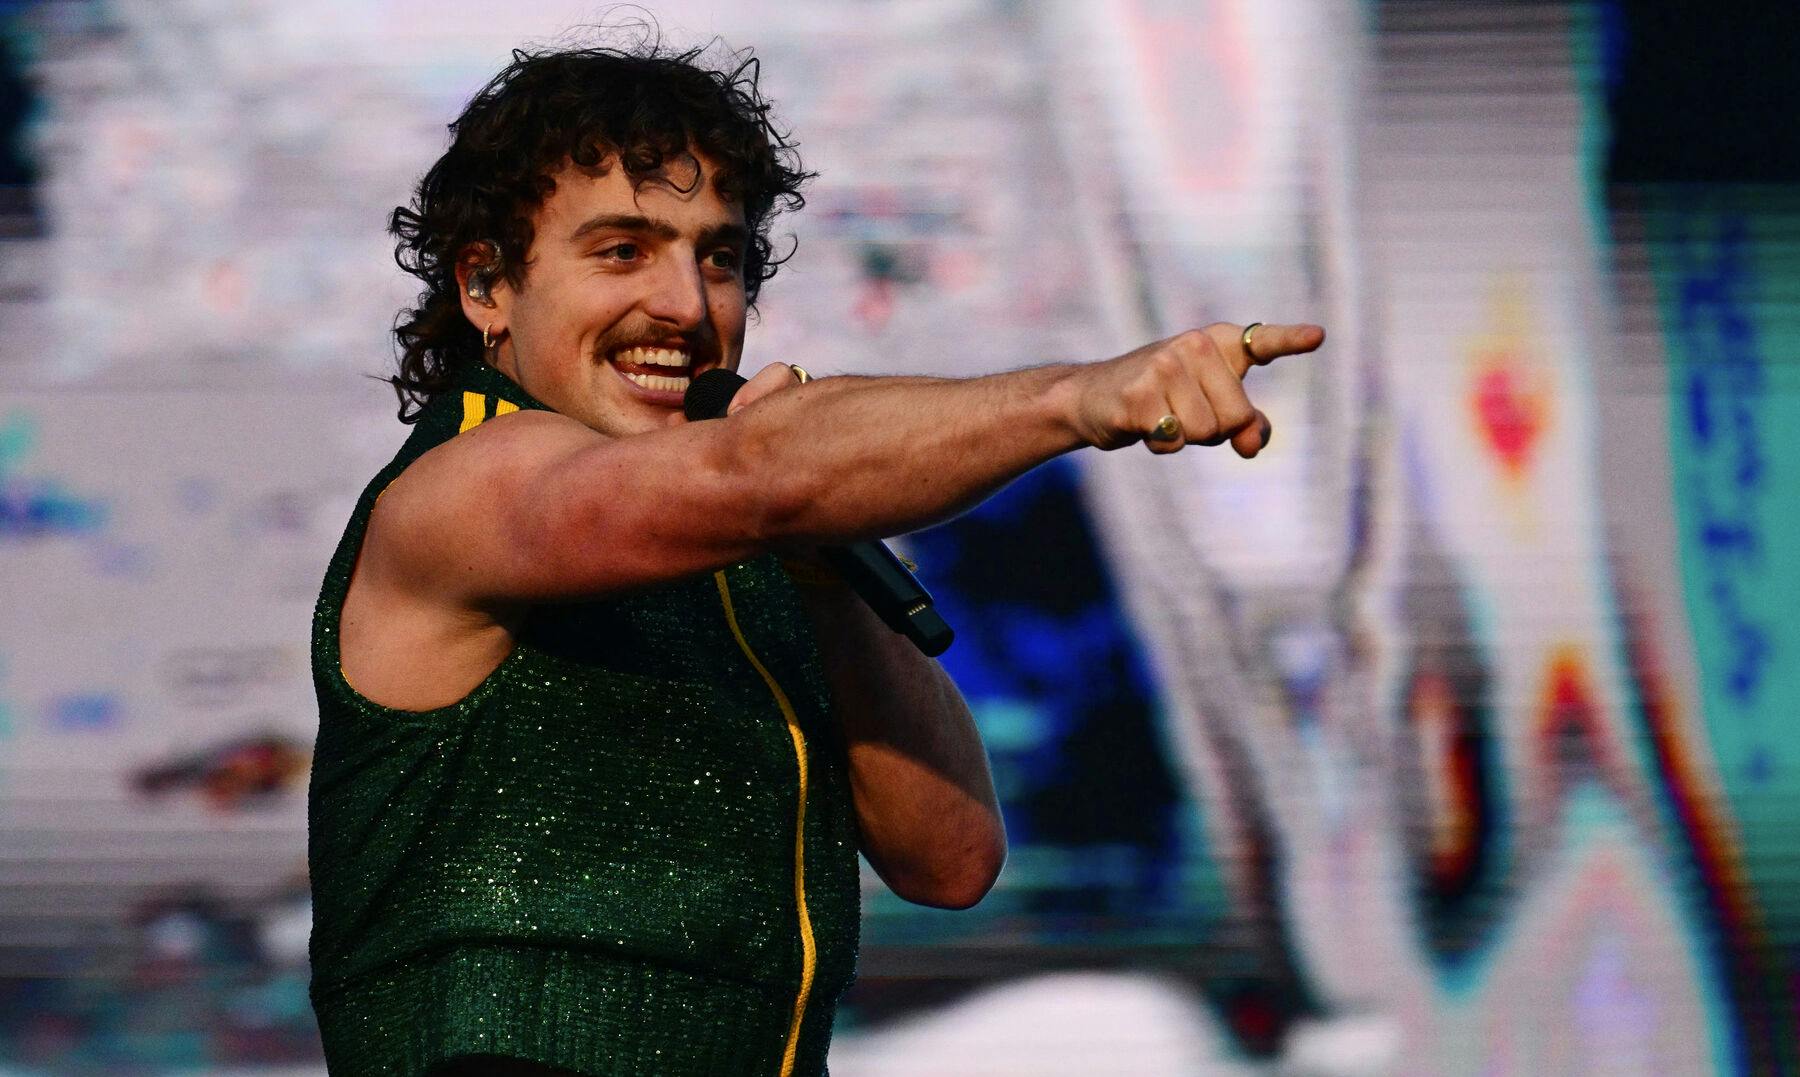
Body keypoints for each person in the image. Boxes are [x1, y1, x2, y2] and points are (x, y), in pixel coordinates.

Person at [306, 36, 1324, 1077]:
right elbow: (753, 473)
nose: (687, 308)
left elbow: (953, 857)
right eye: (622, 252)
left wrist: (822, 576)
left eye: (719, 258)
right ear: (487, 284)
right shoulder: (464, 484)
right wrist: (1076, 399)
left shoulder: (750, 550)